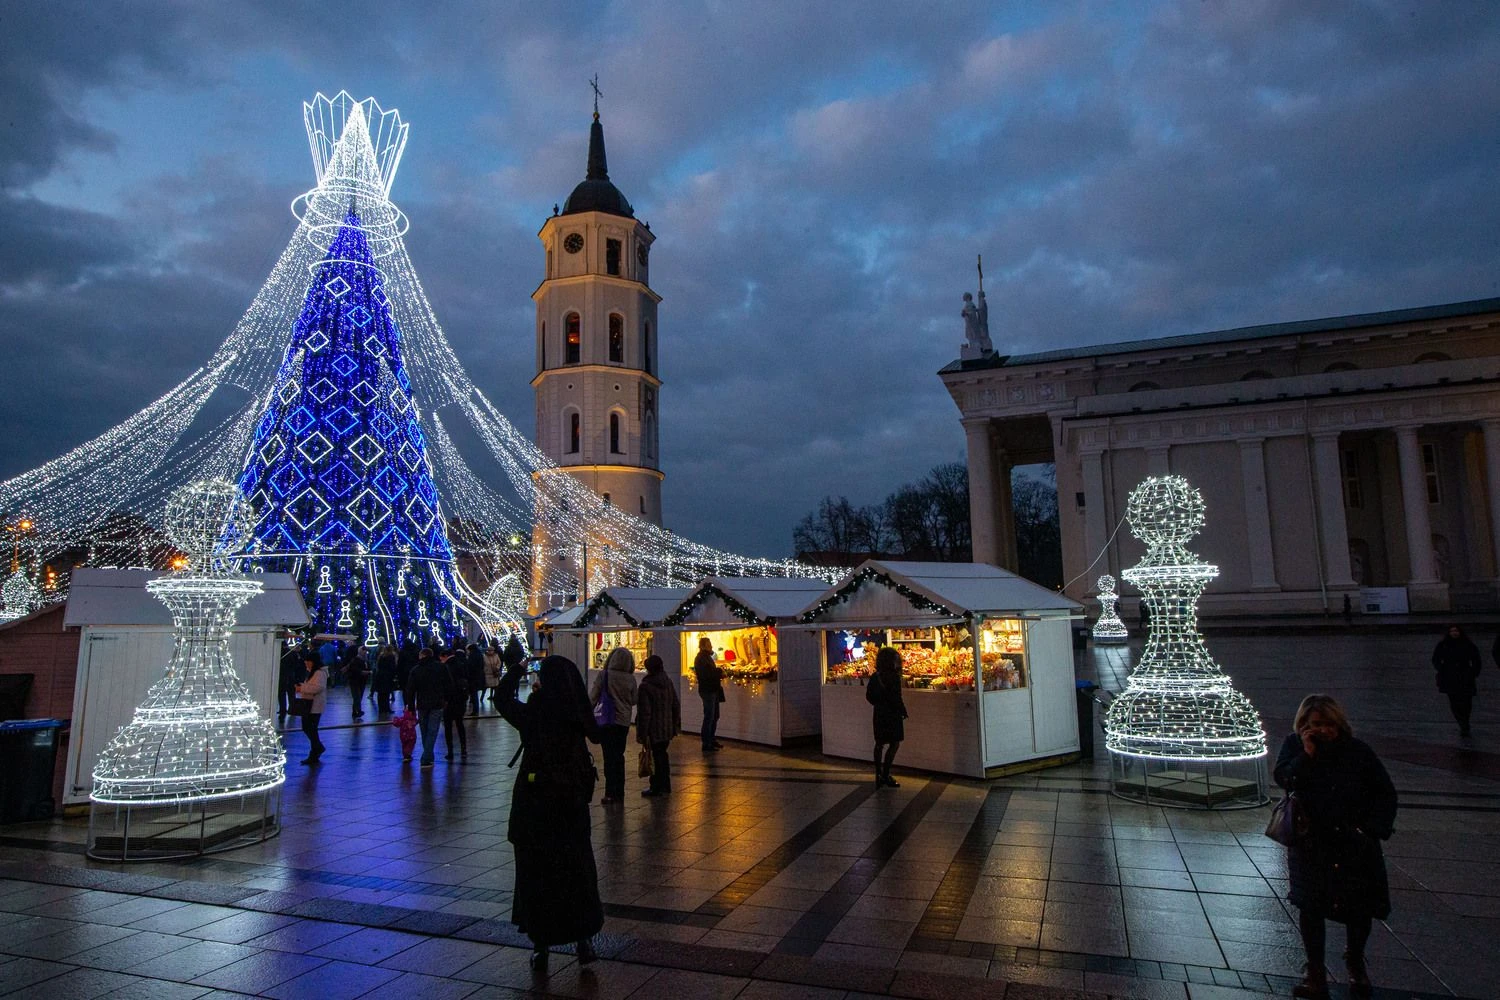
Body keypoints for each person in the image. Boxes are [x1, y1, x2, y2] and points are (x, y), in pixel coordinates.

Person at [1274, 694, 1397, 1000]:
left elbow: (1385, 792)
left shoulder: (1357, 751)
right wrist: (1307, 754)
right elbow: (1285, 778)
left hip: (1352, 843)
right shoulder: (1295, 747)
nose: (1324, 730)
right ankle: (1315, 972)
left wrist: (1370, 830)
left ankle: (1355, 961)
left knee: (1359, 909)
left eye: (1328, 723)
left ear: (1339, 723)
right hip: (1311, 843)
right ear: (1304, 725)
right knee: (1311, 907)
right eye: (1316, 724)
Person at [496, 653, 603, 972]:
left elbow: (502, 699)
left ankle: (541, 945)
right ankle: (583, 939)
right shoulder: (576, 714)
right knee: (576, 871)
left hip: (535, 806)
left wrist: (515, 670)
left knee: (537, 875)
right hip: (570, 806)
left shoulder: (535, 713)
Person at [590, 645, 638, 804]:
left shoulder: (604, 675)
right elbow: (634, 700)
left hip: (607, 720)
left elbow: (593, 697)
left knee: (608, 757)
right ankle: (620, 791)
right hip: (623, 722)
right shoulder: (630, 678)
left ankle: (610, 792)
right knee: (619, 756)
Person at [635, 653, 680, 797]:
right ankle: (665, 785)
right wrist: (674, 724)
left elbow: (645, 713)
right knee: (662, 756)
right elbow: (675, 704)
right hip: (666, 728)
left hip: (653, 729)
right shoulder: (668, 682)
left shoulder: (646, 686)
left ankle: (655, 786)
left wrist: (642, 733)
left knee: (655, 757)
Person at [866, 646, 908, 788]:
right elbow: (897, 697)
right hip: (892, 714)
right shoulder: (894, 677)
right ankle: (886, 774)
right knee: (894, 743)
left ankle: (878, 774)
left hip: (879, 713)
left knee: (879, 743)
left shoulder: (875, 676)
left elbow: (869, 696)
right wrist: (902, 710)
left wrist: (879, 703)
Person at [1432, 624, 1481, 739]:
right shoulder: (1443, 645)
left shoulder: (1468, 645)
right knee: (1454, 701)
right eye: (1452, 631)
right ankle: (1462, 723)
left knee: (1467, 701)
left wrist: (1474, 672)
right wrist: (1441, 669)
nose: (1454, 633)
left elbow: (1476, 659)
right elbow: (1436, 659)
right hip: (1450, 677)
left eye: (1456, 631)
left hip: (1465, 676)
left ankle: (1465, 721)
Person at [404, 647, 447, 767]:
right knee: (433, 730)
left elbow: (410, 690)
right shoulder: (440, 667)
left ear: (421, 656)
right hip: (437, 702)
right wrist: (446, 699)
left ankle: (427, 756)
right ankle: (427, 757)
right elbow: (448, 684)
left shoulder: (416, 670)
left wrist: (411, 707)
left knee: (424, 730)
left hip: (422, 704)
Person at [294, 651, 328, 765]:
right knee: (309, 728)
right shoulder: (314, 672)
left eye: (308, 662)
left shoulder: (319, 673)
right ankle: (316, 749)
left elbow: (318, 688)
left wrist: (302, 688)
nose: (306, 664)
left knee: (310, 728)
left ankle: (316, 750)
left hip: (314, 705)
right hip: (309, 704)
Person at [693, 636, 724, 753]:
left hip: (712, 689)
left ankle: (711, 739)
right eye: (709, 644)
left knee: (714, 715)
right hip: (708, 690)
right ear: (703, 646)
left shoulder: (706, 657)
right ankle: (707, 742)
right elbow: (706, 675)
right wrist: (719, 672)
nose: (711, 646)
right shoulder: (701, 658)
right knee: (709, 716)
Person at [441, 646, 469, 759]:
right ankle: (463, 748)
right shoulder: (461, 663)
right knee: (460, 724)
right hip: (461, 699)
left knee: (448, 726)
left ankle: (450, 751)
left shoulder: (446, 667)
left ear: (445, 656)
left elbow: (444, 684)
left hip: (449, 700)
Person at [277, 642, 304, 724]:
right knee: (291, 694)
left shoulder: (279, 652)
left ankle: (282, 711)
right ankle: (292, 709)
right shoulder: (292, 653)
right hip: (291, 676)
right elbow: (297, 665)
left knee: (281, 695)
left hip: (281, 676)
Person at [344, 645, 369, 720]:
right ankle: (358, 711)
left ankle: (355, 712)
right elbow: (355, 670)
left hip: (360, 681)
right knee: (357, 696)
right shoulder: (357, 660)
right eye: (364, 650)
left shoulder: (364, 660)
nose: (365, 652)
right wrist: (363, 672)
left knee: (358, 697)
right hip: (355, 680)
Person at [374, 644, 398, 714]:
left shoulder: (381, 656)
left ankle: (381, 709)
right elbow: (392, 667)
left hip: (380, 676)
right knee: (386, 694)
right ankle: (387, 708)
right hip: (388, 677)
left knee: (381, 694)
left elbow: (378, 666)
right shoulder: (391, 657)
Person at [396, 641, 419, 709]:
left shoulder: (402, 652)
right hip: (415, 673)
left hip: (404, 674)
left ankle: (407, 705)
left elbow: (399, 665)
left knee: (405, 691)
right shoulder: (416, 651)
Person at [466, 643, 487, 715]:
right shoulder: (480, 654)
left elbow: (470, 666)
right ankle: (475, 710)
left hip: (473, 677)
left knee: (474, 694)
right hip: (479, 676)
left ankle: (475, 711)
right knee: (474, 694)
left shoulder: (472, 656)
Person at [483, 640, 503, 705]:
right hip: (488, 674)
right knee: (488, 686)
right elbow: (483, 664)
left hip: (495, 673)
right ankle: (486, 696)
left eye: (492, 651)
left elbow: (499, 662)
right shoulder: (484, 657)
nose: (490, 652)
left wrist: (497, 667)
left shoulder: (496, 656)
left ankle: (495, 696)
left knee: (495, 686)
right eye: (489, 651)